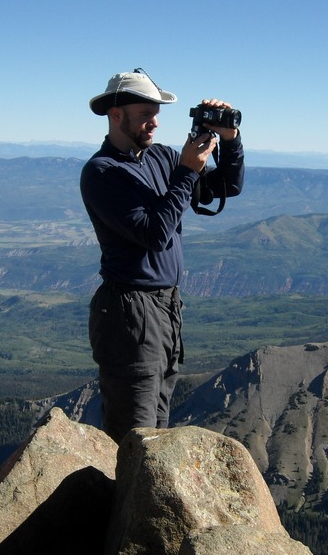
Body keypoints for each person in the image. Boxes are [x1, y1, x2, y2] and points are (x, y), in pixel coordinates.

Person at [80, 69, 244, 443]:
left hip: (166, 306)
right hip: (130, 312)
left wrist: (229, 140)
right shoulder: (102, 172)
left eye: (157, 114)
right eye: (145, 114)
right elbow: (153, 234)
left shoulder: (163, 158)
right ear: (116, 116)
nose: (155, 122)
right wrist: (187, 171)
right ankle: (119, 499)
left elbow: (227, 186)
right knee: (134, 432)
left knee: (158, 425)